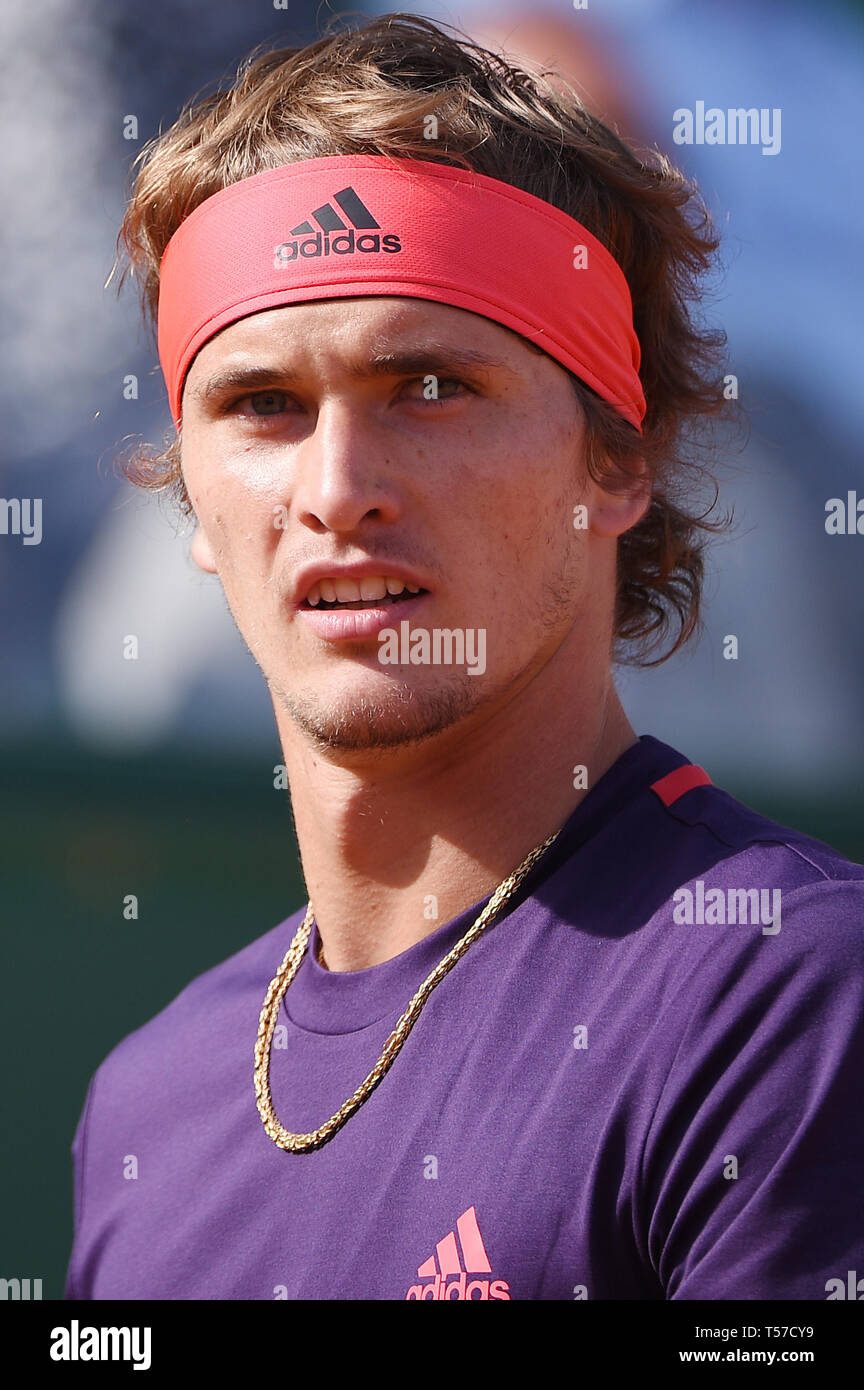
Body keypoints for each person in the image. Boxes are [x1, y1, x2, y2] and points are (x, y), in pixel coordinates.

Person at [64, 13, 864, 1301]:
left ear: (619, 460)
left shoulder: (792, 992)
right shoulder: (144, 1103)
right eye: (262, 403)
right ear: (189, 503)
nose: (338, 488)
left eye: (430, 387)